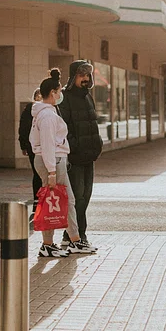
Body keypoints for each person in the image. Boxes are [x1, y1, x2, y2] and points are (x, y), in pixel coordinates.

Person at [29, 69, 85, 257]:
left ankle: (70, 240)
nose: (61, 95)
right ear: (52, 93)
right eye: (59, 91)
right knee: (58, 200)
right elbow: (47, 145)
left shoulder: (45, 113)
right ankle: (56, 243)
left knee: (63, 200)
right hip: (52, 161)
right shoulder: (47, 116)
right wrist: (52, 171)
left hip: (52, 160)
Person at [59, 60, 103, 253]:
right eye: (81, 75)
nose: (85, 78)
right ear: (73, 77)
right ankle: (79, 237)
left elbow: (93, 124)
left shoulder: (88, 97)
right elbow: (63, 127)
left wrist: (97, 144)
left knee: (85, 197)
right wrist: (74, 147)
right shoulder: (65, 98)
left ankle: (69, 235)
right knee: (77, 198)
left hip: (89, 156)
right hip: (75, 157)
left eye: (87, 75)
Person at [19, 88, 43, 214]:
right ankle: (39, 201)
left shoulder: (29, 110)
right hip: (37, 146)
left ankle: (37, 202)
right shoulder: (42, 109)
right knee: (40, 173)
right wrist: (23, 145)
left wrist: (23, 145)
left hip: (32, 145)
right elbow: (23, 128)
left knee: (37, 173)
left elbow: (22, 128)